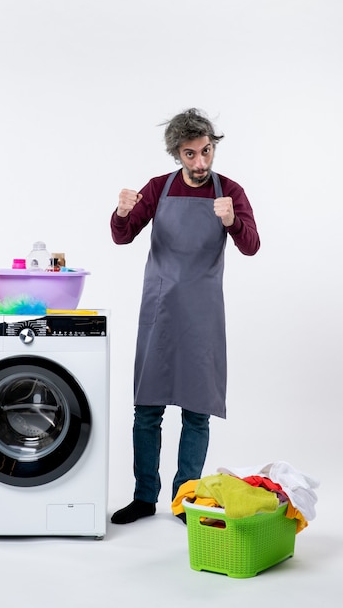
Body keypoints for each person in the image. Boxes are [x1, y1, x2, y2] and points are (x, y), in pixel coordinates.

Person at [110, 108, 260, 524]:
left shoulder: (229, 191)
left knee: (197, 411)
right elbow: (122, 236)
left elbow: (251, 246)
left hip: (204, 314)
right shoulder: (158, 188)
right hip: (160, 310)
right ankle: (144, 497)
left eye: (206, 152)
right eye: (190, 154)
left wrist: (232, 220)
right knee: (148, 409)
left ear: (214, 148)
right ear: (177, 154)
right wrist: (122, 212)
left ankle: (185, 499)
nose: (200, 162)